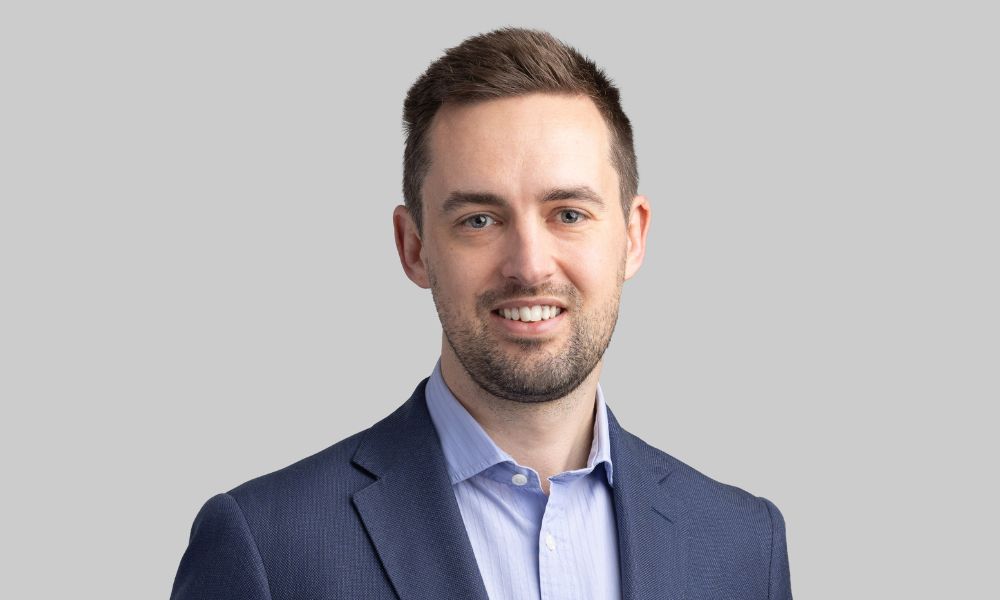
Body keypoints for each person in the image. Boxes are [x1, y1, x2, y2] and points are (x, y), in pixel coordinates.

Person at [170, 27, 792, 600]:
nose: (529, 265)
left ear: (632, 237)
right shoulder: (268, 548)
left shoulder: (743, 545)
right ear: (414, 247)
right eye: (479, 220)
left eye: (568, 214)